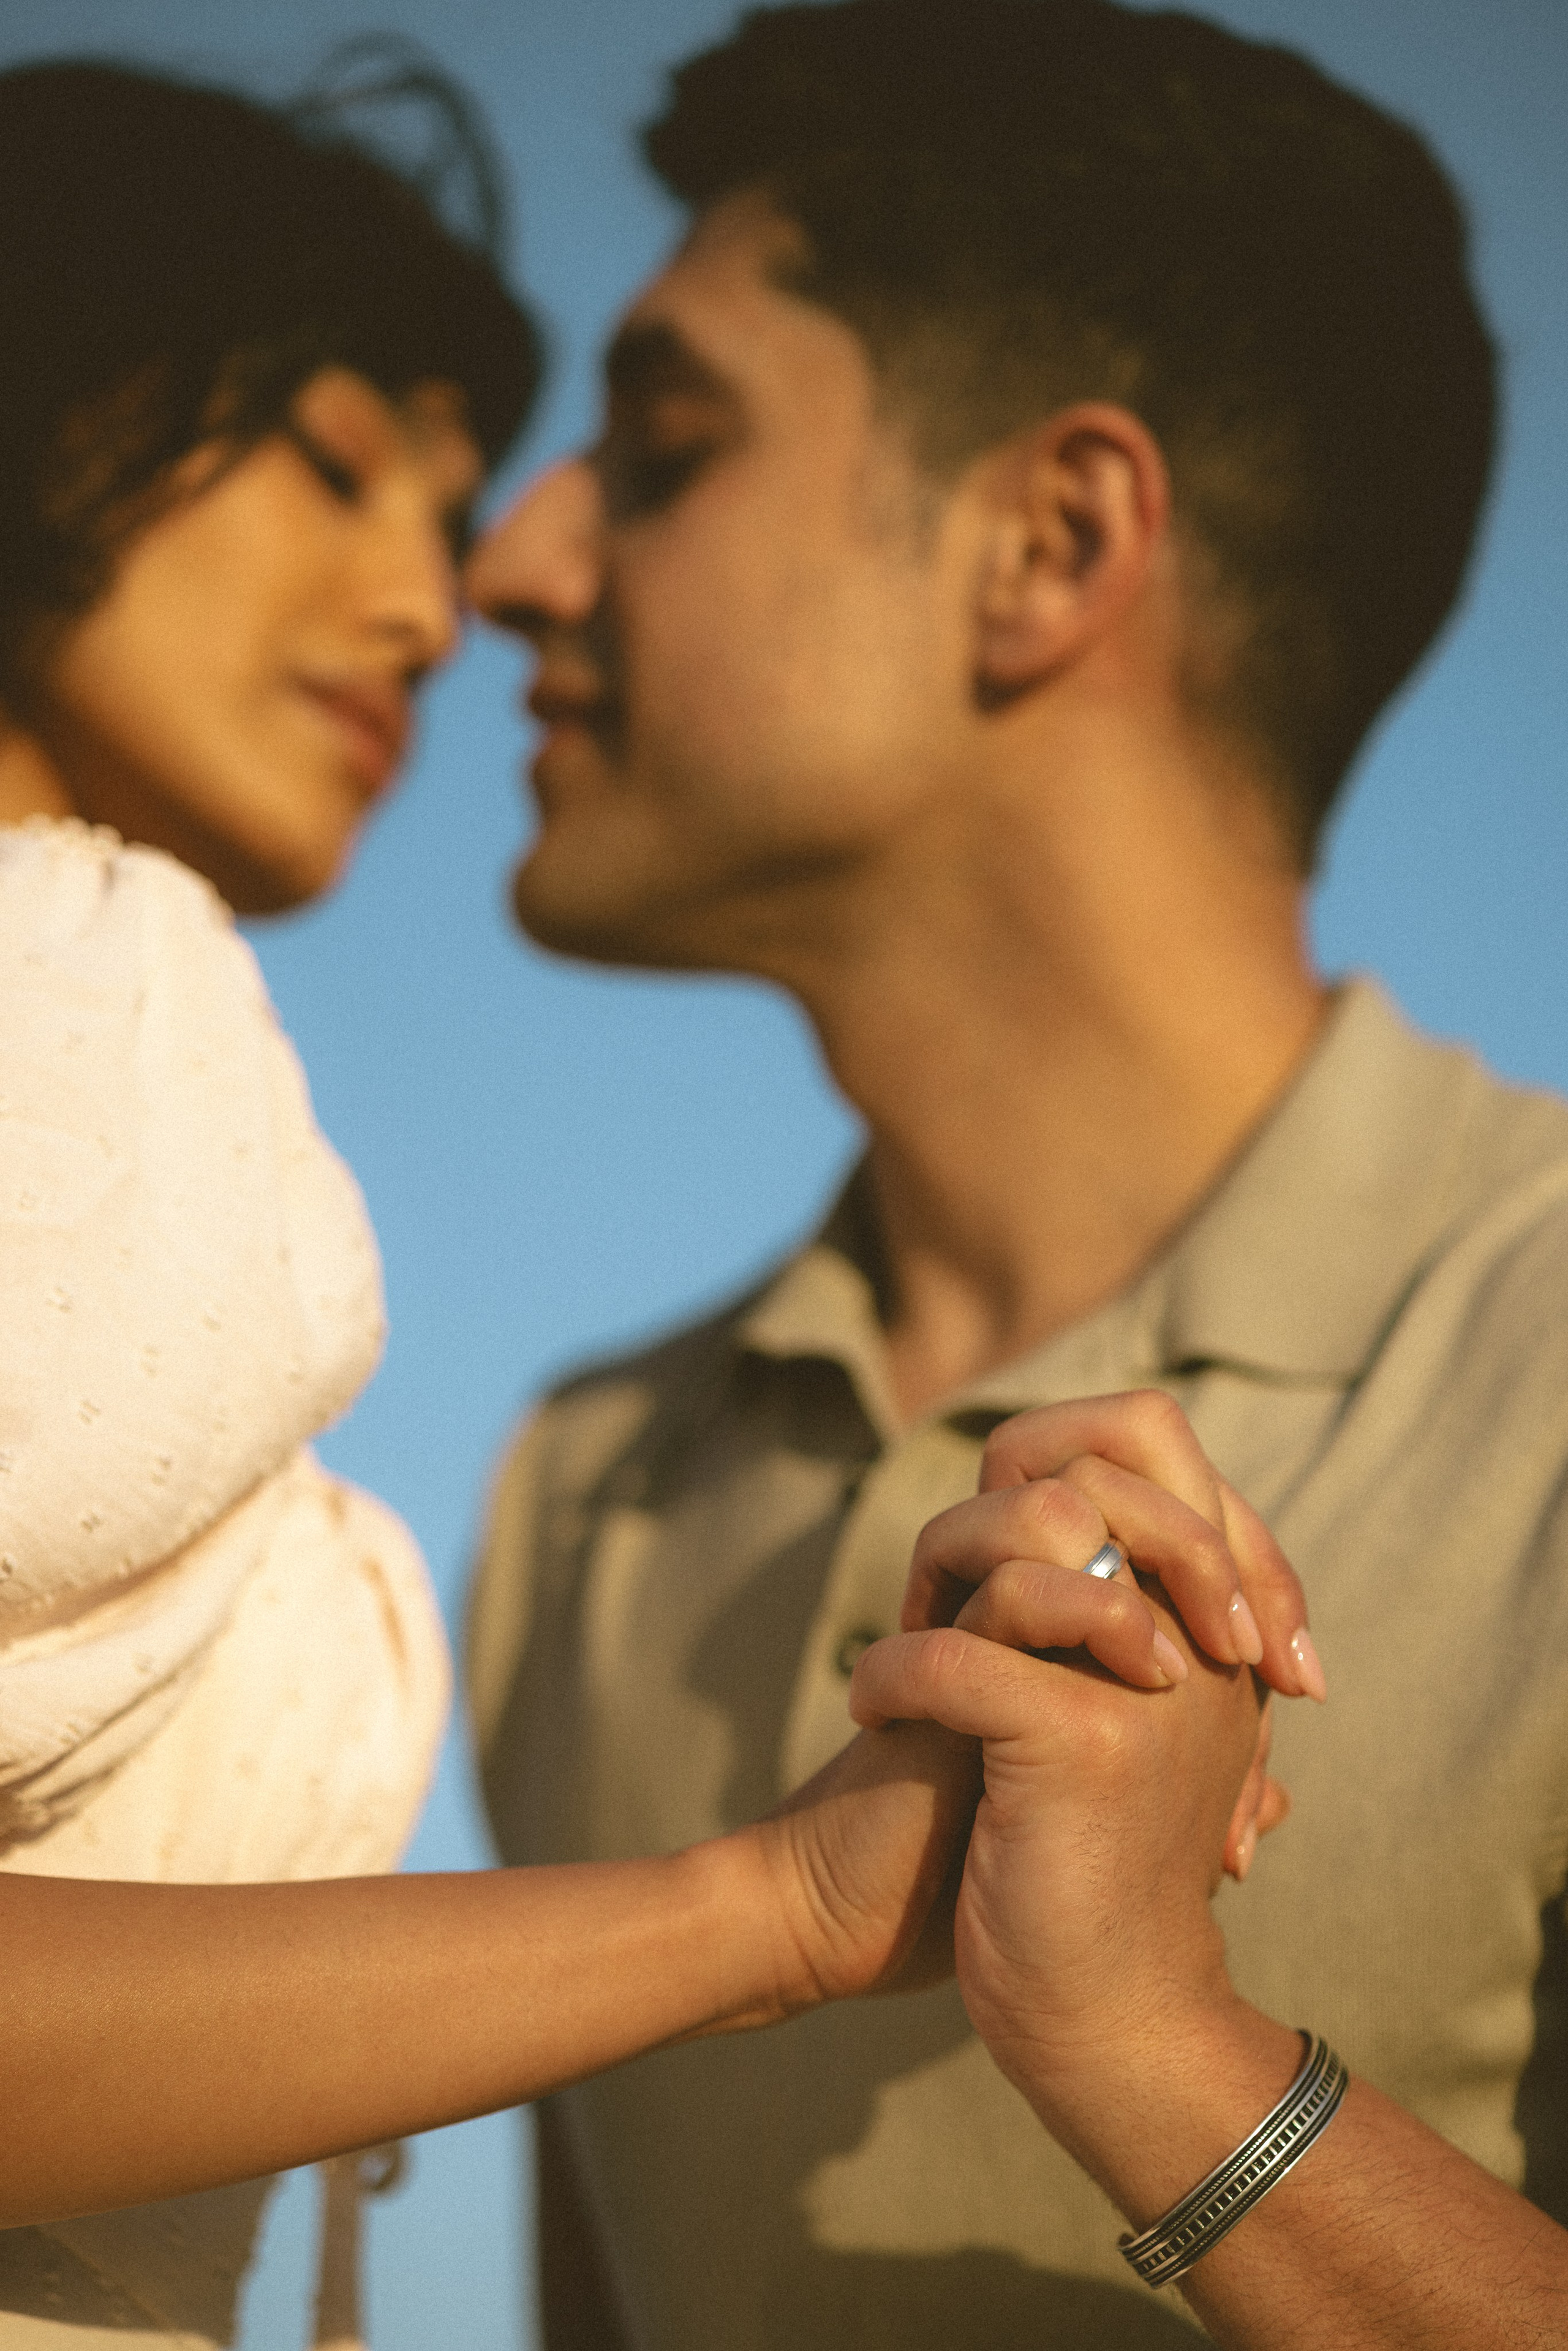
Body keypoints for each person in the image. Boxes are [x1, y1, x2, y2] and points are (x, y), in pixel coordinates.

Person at [0, 50, 1307, 2351]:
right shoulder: (89, 972)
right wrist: (767, 1909)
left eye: (451, 500)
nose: (439, 597)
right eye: (332, 466)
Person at [463, 1, 1568, 2344]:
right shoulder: (581, 1497)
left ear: (1051, 543)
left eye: (660, 446)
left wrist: (1163, 2056)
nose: (513, 561)